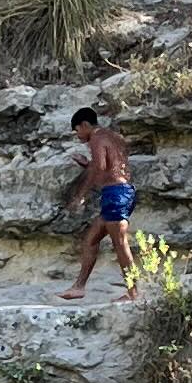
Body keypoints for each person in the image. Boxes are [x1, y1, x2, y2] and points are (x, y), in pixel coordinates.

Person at [62, 106, 138, 296]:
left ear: (85, 125)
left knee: (120, 244)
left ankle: (133, 292)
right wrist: (88, 164)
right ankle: (79, 287)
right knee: (91, 240)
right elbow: (109, 166)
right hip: (121, 193)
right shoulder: (113, 137)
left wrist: (81, 195)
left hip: (116, 194)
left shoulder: (96, 138)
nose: (77, 135)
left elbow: (99, 168)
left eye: (77, 130)